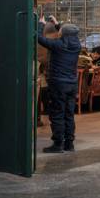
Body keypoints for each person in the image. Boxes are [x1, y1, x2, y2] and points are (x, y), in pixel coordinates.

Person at [37, 17, 81, 153]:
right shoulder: (77, 45)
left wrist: (41, 24)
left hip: (58, 84)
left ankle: (57, 144)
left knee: (57, 114)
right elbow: (67, 32)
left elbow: (38, 38)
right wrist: (57, 24)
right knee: (69, 114)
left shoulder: (58, 45)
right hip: (72, 84)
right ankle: (69, 144)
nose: (59, 32)